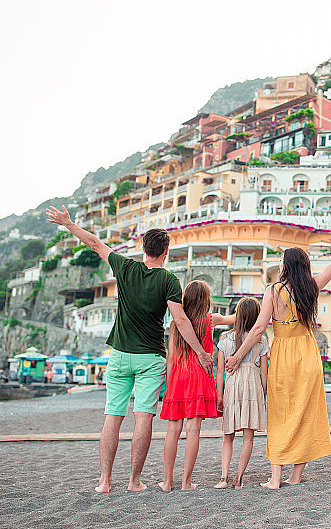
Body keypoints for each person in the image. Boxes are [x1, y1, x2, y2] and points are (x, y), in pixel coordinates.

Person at [46, 204, 211, 494]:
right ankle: (134, 481)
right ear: (166, 251)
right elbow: (181, 319)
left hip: (120, 354)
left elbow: (95, 243)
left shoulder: (125, 267)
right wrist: (199, 351)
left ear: (143, 248)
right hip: (150, 358)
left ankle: (105, 481)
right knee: (143, 416)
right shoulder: (169, 280)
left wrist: (68, 224)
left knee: (113, 415)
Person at [226, 222, 331, 489]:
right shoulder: (312, 286)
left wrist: (238, 356)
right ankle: (295, 476)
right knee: (305, 414)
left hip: (284, 356)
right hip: (308, 355)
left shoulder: (273, 291)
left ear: (285, 265)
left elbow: (259, 328)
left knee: (281, 414)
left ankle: (275, 478)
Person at [158, 280, 233, 492]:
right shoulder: (210, 320)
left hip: (179, 378)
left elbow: (171, 359)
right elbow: (236, 318)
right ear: (206, 299)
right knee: (193, 431)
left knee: (173, 429)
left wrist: (168, 387)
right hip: (199, 378)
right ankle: (186, 482)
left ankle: (167, 481)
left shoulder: (175, 324)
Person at [215, 297, 269, 490]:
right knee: (248, 436)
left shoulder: (224, 339)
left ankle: (223, 477)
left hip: (232, 384)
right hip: (252, 384)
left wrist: (219, 396)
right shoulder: (261, 340)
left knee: (228, 435)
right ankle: (239, 478)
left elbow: (220, 370)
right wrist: (263, 395)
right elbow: (264, 372)